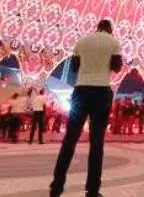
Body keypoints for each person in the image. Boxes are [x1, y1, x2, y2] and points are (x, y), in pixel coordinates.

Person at [49, 19, 123, 197]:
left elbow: (75, 67)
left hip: (81, 91)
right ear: (110, 30)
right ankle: (92, 190)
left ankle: (56, 187)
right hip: (101, 93)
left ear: (96, 27)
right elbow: (116, 67)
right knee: (97, 142)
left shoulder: (82, 41)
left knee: (70, 140)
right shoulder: (114, 42)